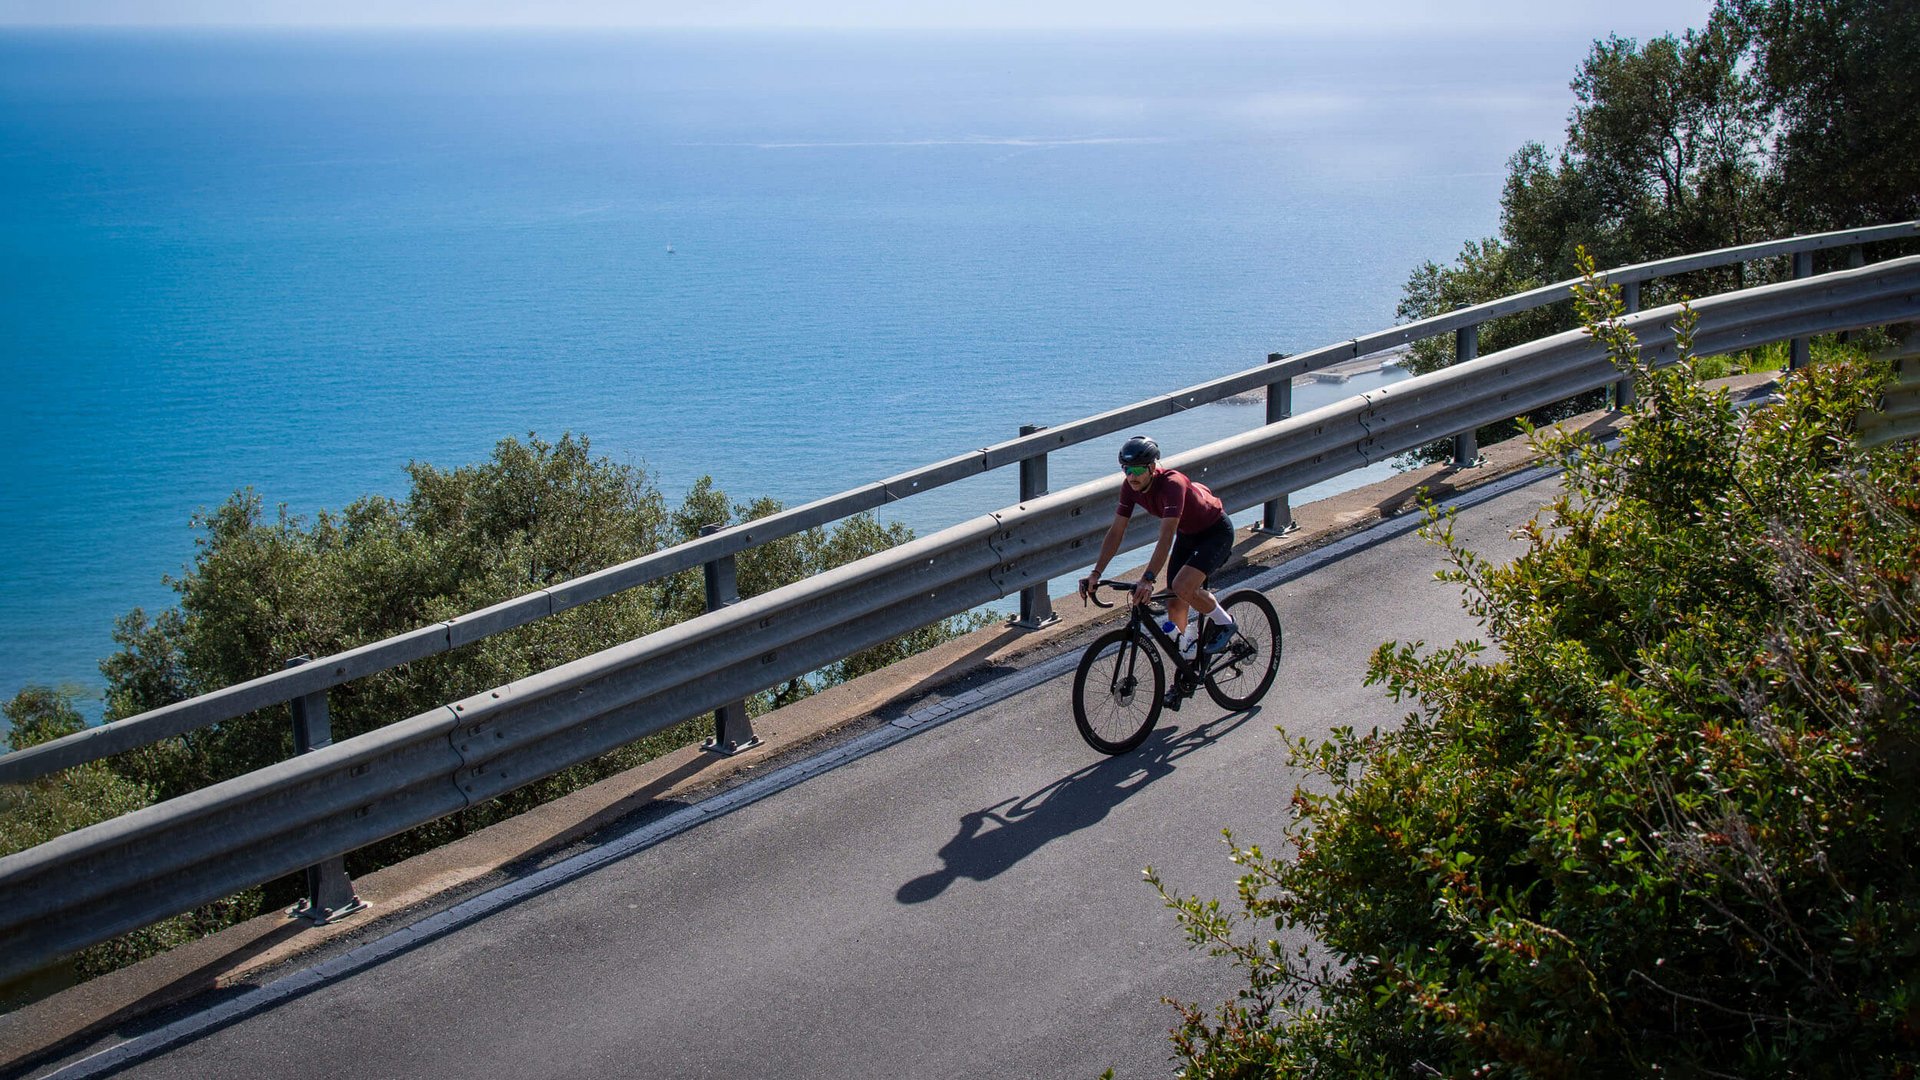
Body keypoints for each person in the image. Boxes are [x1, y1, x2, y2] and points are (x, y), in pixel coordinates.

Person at [1077, 435, 1237, 660]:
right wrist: (1096, 572)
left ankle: (1225, 623)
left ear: (1152, 467)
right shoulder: (1129, 487)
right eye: (1127, 470)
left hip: (1214, 532)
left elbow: (1166, 536)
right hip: (1188, 534)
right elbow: (1116, 532)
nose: (1132, 476)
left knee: (1183, 586)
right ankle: (1188, 661)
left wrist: (1148, 578)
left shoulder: (1172, 484)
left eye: (1138, 470)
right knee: (1174, 601)